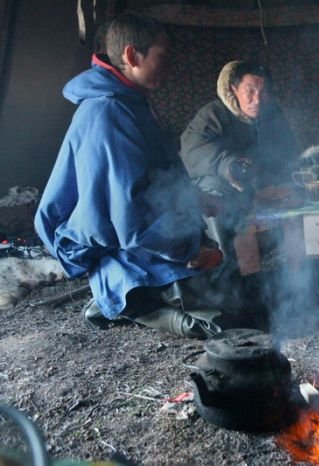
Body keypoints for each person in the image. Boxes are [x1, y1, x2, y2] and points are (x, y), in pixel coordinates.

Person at [34, 12, 257, 339]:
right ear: (131, 55)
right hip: (121, 244)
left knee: (237, 291)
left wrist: (196, 200)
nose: (169, 67)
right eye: (162, 57)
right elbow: (130, 220)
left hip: (141, 234)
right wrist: (189, 250)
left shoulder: (131, 102)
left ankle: (127, 294)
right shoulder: (109, 113)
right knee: (224, 324)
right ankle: (125, 300)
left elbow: (157, 176)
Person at [179, 60, 299, 255]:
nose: (258, 99)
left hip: (261, 189)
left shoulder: (273, 114)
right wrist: (228, 164)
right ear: (234, 89)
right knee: (214, 187)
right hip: (225, 194)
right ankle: (226, 259)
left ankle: (285, 262)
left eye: (264, 92)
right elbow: (190, 152)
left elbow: (288, 152)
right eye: (250, 91)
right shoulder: (213, 114)